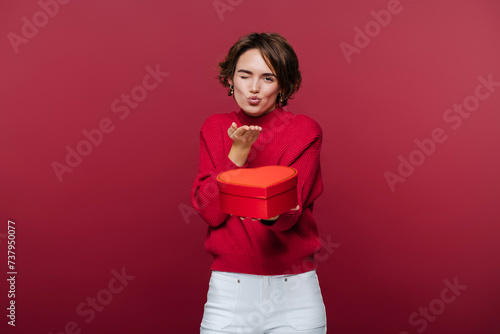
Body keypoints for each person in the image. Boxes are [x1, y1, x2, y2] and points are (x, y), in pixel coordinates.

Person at [191, 32, 326, 334]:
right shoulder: (215, 128)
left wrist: (270, 207)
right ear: (229, 79)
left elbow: (288, 217)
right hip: (230, 292)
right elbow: (210, 211)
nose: (253, 88)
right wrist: (237, 153)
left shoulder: (304, 131)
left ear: (284, 86)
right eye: (244, 75)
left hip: (295, 293)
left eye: (268, 78)